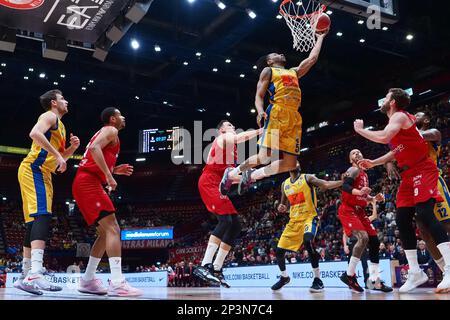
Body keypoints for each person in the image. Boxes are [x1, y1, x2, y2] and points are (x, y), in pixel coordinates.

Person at [354, 88, 450, 293]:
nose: (384, 99)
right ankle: (416, 272)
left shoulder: (398, 116)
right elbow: (397, 150)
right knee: (401, 218)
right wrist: (375, 162)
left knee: (425, 214)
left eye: (386, 97)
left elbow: (383, 137)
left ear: (393, 102)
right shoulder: (397, 124)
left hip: (424, 169)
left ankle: (449, 268)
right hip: (408, 174)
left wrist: (361, 131)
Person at [220, 30, 329, 196]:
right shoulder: (268, 72)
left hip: (294, 116)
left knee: (291, 164)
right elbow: (259, 95)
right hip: (277, 112)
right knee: (264, 157)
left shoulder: (294, 71)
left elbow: (312, 59)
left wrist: (320, 37)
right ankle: (233, 174)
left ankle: (253, 175)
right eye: (276, 54)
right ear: (270, 61)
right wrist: (260, 111)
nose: (281, 53)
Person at [15, 89, 80, 295]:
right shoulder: (50, 116)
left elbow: (57, 159)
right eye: (63, 98)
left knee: (33, 222)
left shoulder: (60, 125)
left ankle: (26, 275)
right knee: (42, 216)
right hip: (34, 169)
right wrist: (60, 157)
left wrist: (70, 150)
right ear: (54, 102)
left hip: (42, 172)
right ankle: (35, 273)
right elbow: (34, 134)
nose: (66, 101)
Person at [73, 107, 142, 297]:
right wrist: (109, 176)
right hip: (88, 182)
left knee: (105, 234)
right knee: (113, 229)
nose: (124, 117)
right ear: (113, 119)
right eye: (121, 114)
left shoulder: (109, 134)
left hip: (87, 180)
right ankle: (118, 282)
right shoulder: (110, 130)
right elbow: (94, 149)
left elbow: (95, 154)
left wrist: (114, 169)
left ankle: (87, 280)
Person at [194, 120, 262, 287]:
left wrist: (253, 176)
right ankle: (204, 265)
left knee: (236, 225)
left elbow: (233, 178)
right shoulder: (223, 139)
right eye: (229, 124)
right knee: (226, 220)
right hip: (209, 182)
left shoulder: (232, 153)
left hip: (218, 183)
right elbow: (240, 137)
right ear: (221, 130)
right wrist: (262, 131)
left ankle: (217, 268)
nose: (233, 126)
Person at [270, 162, 343, 292]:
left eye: (296, 161)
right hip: (293, 222)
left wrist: (342, 181)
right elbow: (284, 204)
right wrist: (281, 207)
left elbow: (325, 184)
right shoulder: (284, 185)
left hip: (309, 218)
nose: (293, 162)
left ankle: (317, 279)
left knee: (308, 241)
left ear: (299, 166)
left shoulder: (307, 178)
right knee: (279, 251)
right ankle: (284, 277)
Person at [338, 149, 392, 293]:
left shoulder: (365, 175)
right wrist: (361, 192)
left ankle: (375, 281)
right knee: (363, 238)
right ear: (351, 160)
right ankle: (349, 275)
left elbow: (363, 197)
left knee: (374, 242)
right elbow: (345, 187)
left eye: (358, 152)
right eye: (353, 153)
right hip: (348, 209)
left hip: (359, 211)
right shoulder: (353, 170)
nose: (357, 154)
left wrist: (374, 198)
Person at [414, 112, 450, 275]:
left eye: (418, 115)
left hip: (435, 182)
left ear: (426, 120)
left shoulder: (434, 133)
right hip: (418, 185)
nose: (414, 116)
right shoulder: (412, 141)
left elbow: (418, 135)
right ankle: (445, 271)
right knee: (424, 231)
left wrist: (403, 130)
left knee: (447, 225)